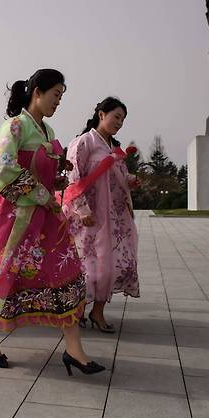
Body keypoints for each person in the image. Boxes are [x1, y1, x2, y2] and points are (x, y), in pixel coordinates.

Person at [0, 69, 104, 376]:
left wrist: (56, 171)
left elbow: (42, 168)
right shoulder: (14, 125)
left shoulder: (48, 131)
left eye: (61, 97)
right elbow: (4, 167)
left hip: (45, 216)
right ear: (37, 92)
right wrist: (42, 192)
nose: (58, 102)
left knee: (63, 272)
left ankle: (74, 349)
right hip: (11, 214)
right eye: (56, 95)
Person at [62, 97, 140, 333]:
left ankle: (97, 312)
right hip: (87, 219)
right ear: (101, 114)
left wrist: (131, 181)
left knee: (111, 266)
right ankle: (77, 312)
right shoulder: (83, 142)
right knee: (86, 267)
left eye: (123, 119)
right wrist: (82, 210)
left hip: (113, 219)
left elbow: (119, 176)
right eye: (116, 116)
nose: (120, 122)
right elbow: (73, 178)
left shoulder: (113, 149)